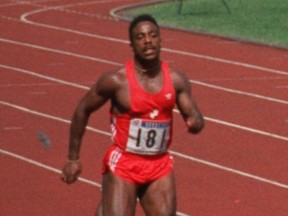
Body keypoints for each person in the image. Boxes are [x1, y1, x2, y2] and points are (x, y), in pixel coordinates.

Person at [61, 14, 205, 216]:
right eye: (140, 37)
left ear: (160, 40)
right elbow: (82, 109)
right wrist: (73, 158)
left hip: (159, 164)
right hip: (125, 165)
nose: (148, 41)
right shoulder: (117, 81)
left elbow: (195, 116)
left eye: (153, 35)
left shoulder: (176, 80)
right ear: (131, 44)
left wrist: (196, 122)